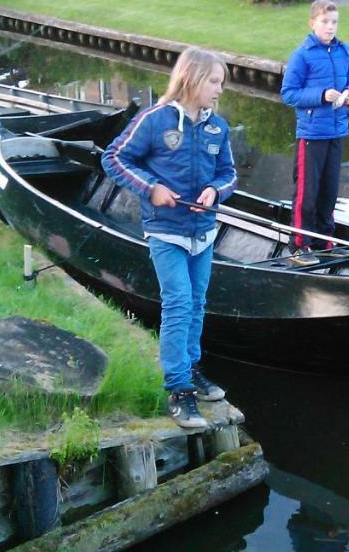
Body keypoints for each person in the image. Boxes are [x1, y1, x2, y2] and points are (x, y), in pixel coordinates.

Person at [102, 47, 237, 429]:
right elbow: (114, 158)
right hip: (166, 232)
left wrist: (214, 192)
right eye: (214, 81)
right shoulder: (154, 120)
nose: (219, 90)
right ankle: (178, 390)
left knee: (197, 302)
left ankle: (191, 368)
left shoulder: (218, 128)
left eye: (221, 83)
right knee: (178, 302)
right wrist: (152, 188)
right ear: (191, 78)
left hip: (203, 234)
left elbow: (228, 174)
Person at [281, 0, 349, 266]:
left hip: (337, 131)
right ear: (312, 23)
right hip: (311, 134)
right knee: (307, 192)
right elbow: (288, 94)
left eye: (334, 22)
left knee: (329, 190)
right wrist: (322, 95)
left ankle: (325, 242)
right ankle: (299, 244)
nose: (330, 27)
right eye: (325, 22)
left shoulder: (344, 51)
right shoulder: (302, 54)